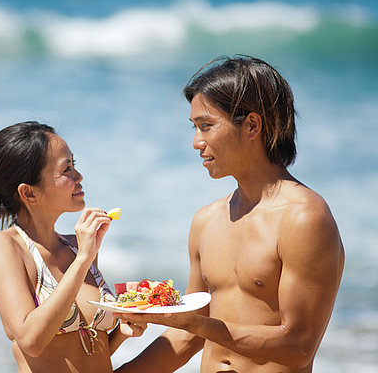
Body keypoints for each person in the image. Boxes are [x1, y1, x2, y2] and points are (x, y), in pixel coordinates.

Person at [116, 56, 345, 373]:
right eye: (195, 128)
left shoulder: (304, 218)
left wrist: (197, 324)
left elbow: (299, 346)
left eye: (206, 126)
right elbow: (188, 337)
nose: (196, 142)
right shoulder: (206, 220)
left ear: (252, 125)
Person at [0, 121, 146, 372]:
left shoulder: (77, 246)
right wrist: (84, 260)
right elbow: (31, 341)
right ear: (29, 194)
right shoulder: (4, 246)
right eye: (67, 169)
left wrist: (121, 333)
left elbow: (84, 352)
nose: (79, 176)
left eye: (74, 164)